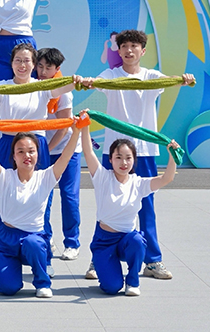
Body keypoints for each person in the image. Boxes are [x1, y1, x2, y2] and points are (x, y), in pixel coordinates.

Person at [78, 29, 194, 281]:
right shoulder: (110, 75)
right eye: (124, 46)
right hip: (115, 152)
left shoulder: (152, 77)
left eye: (134, 46)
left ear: (143, 51)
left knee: (147, 207)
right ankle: (98, 258)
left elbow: (171, 81)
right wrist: (87, 82)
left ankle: (152, 260)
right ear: (118, 51)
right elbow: (95, 82)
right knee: (107, 206)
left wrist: (183, 79)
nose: (129, 50)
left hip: (144, 152)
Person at [0, 43, 77, 279]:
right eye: (18, 60)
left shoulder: (42, 86)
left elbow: (66, 86)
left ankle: (44, 258)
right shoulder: (2, 87)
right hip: (7, 145)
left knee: (43, 202)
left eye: (27, 61)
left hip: (35, 146)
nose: (22, 65)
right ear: (11, 64)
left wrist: (79, 81)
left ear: (33, 64)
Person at [0, 117, 81, 298]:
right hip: (6, 239)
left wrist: (76, 131)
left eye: (31, 151)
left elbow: (65, 156)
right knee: (8, 289)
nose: (27, 156)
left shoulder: (45, 177)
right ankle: (9, 270)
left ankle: (42, 282)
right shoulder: (3, 176)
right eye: (21, 151)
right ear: (13, 156)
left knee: (33, 244)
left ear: (38, 154)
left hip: (33, 237)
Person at [79, 122, 180, 296]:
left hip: (127, 240)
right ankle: (102, 264)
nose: (123, 162)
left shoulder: (138, 183)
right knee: (111, 288)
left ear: (134, 160)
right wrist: (85, 125)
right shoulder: (102, 177)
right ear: (110, 159)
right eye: (118, 157)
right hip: (104, 241)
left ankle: (133, 281)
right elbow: (88, 152)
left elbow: (166, 178)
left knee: (138, 241)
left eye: (128, 158)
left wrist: (172, 155)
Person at [36, 48, 82, 261]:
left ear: (57, 69)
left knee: (69, 195)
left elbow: (64, 127)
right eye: (40, 66)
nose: (43, 72)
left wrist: (45, 150)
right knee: (43, 197)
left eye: (48, 68)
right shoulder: (32, 86)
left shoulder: (64, 91)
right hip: (42, 149)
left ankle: (72, 243)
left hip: (65, 149)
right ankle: (46, 239)